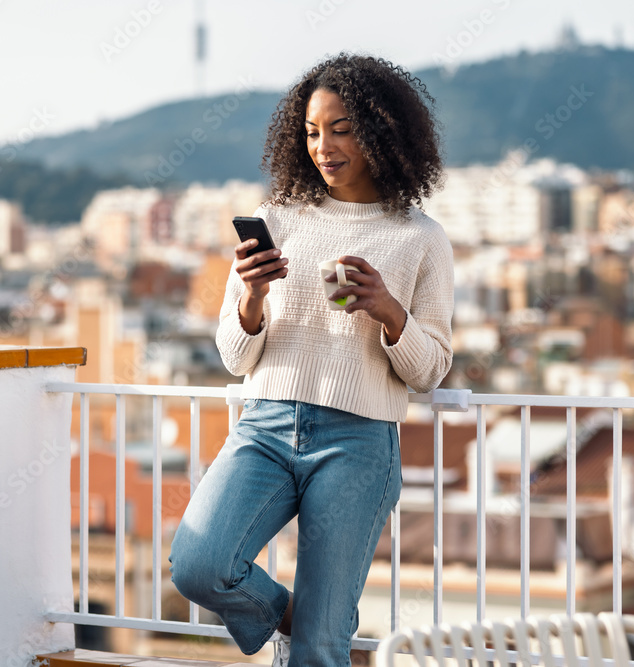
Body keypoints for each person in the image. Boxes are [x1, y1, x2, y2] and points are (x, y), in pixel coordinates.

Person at [168, 53, 454, 666]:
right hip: (266, 428)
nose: (324, 146)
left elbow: (431, 370)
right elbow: (233, 355)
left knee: (319, 650)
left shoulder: (420, 238)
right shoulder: (276, 220)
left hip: (358, 443)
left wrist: (387, 310)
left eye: (342, 128)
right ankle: (294, 614)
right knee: (199, 564)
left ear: (382, 130)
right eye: (312, 132)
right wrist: (251, 294)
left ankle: (317, 627)